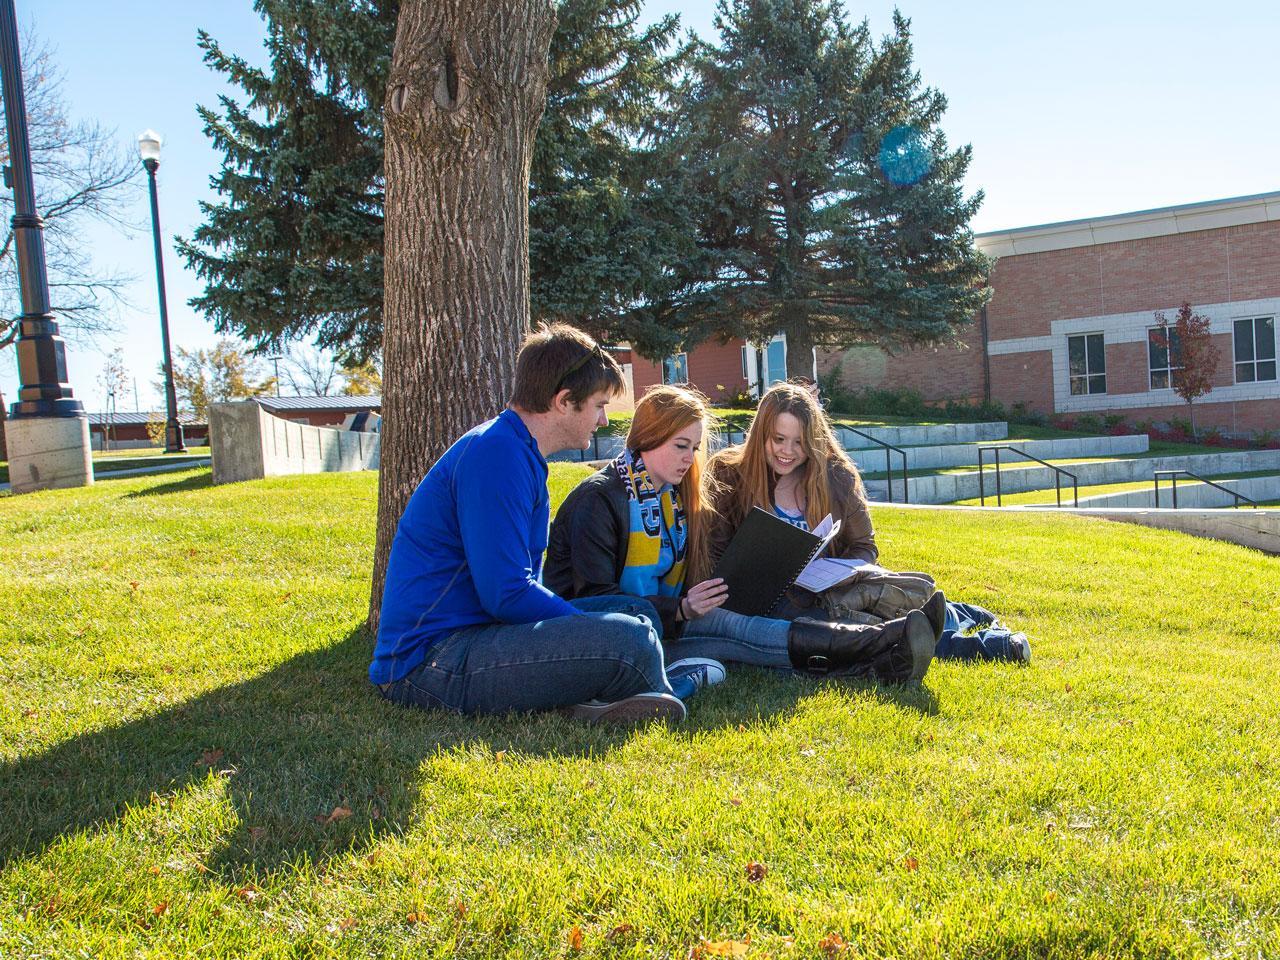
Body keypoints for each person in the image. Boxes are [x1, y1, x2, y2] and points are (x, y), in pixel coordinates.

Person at [370, 325, 690, 723]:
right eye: (598, 405)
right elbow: (505, 593)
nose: (604, 420)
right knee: (629, 637)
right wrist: (584, 630)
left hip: (482, 633)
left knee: (630, 610)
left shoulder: (516, 450)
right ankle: (671, 685)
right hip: (431, 662)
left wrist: (587, 631)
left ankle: (617, 689)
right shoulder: (497, 455)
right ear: (563, 401)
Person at [544, 385, 939, 683]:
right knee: (742, 636)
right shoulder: (601, 499)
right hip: (617, 636)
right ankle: (878, 648)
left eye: (695, 447)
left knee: (745, 633)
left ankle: (881, 653)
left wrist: (684, 606)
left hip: (670, 619)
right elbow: (594, 602)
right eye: (681, 446)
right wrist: (680, 609)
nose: (690, 458)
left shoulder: (666, 494)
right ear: (647, 438)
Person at [706, 381, 1030, 663]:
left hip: (833, 593)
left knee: (879, 611)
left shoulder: (833, 475)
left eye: (799, 442)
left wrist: (834, 574)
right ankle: (986, 645)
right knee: (864, 633)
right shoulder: (728, 475)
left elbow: (864, 547)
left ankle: (966, 618)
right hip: (773, 608)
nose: (788, 452)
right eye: (778, 439)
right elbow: (716, 558)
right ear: (761, 432)